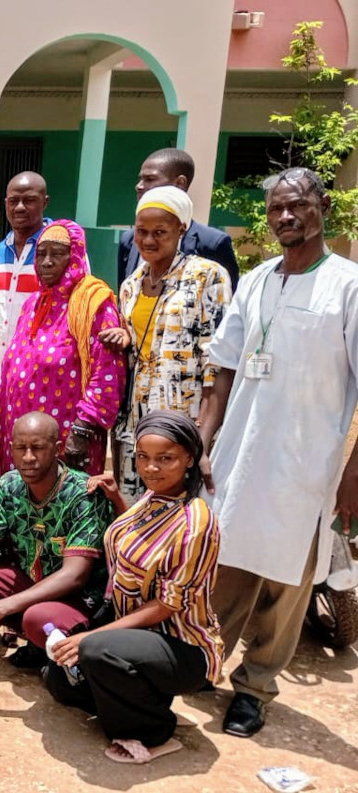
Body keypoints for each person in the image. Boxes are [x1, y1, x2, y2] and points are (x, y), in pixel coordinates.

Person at [199, 167, 358, 738]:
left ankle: (256, 687)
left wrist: (351, 475)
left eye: (298, 206)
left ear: (322, 208)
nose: (286, 217)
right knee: (224, 565)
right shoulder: (257, 280)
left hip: (305, 464)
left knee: (286, 583)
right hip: (241, 454)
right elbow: (224, 366)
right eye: (276, 210)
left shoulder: (348, 285)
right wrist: (205, 436)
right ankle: (204, 662)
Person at [48, 411, 222, 765]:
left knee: (95, 651)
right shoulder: (151, 498)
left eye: (165, 459)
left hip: (181, 645)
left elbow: (166, 606)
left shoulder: (196, 523)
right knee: (58, 680)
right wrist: (117, 503)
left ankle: (156, 732)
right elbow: (137, 549)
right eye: (143, 457)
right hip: (138, 631)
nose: (151, 469)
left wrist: (91, 638)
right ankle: (138, 696)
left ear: (189, 458)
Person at [0, 412, 111, 667]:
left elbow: (74, 576)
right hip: (32, 584)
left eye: (38, 448)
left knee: (36, 617)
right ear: (11, 449)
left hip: (80, 597)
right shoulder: (10, 485)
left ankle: (57, 645)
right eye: (21, 448)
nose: (28, 457)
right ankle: (37, 640)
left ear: (57, 449)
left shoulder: (83, 494)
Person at [102, 187, 232, 500]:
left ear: (181, 229)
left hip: (181, 423)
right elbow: (147, 340)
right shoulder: (132, 284)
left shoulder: (207, 276)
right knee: (136, 510)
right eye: (141, 231)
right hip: (134, 423)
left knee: (181, 514)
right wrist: (126, 337)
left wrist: (202, 436)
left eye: (160, 232)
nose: (148, 240)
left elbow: (216, 361)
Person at [0, 220, 125, 476]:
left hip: (66, 437)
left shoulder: (93, 303)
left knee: (62, 507)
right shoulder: (33, 304)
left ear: (74, 257)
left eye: (57, 254)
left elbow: (106, 374)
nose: (47, 262)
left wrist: (83, 430)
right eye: (41, 254)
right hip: (22, 431)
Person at [0, 171, 51, 437]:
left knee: (30, 445)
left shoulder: (57, 250)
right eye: (13, 200)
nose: (20, 207)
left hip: (39, 370)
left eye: (29, 200)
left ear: (45, 202)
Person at [118, 148, 239, 288]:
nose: (139, 186)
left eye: (150, 179)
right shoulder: (129, 241)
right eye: (140, 179)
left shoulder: (211, 243)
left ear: (180, 183)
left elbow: (228, 301)